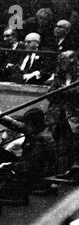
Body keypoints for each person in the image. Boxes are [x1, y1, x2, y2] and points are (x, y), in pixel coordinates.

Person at [47, 51, 79, 179]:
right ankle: (61, 173)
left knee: (74, 143)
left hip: (75, 113)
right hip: (59, 114)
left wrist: (62, 92)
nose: (62, 64)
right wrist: (67, 92)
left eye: (64, 61)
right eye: (61, 62)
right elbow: (50, 93)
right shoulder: (59, 76)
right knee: (60, 144)